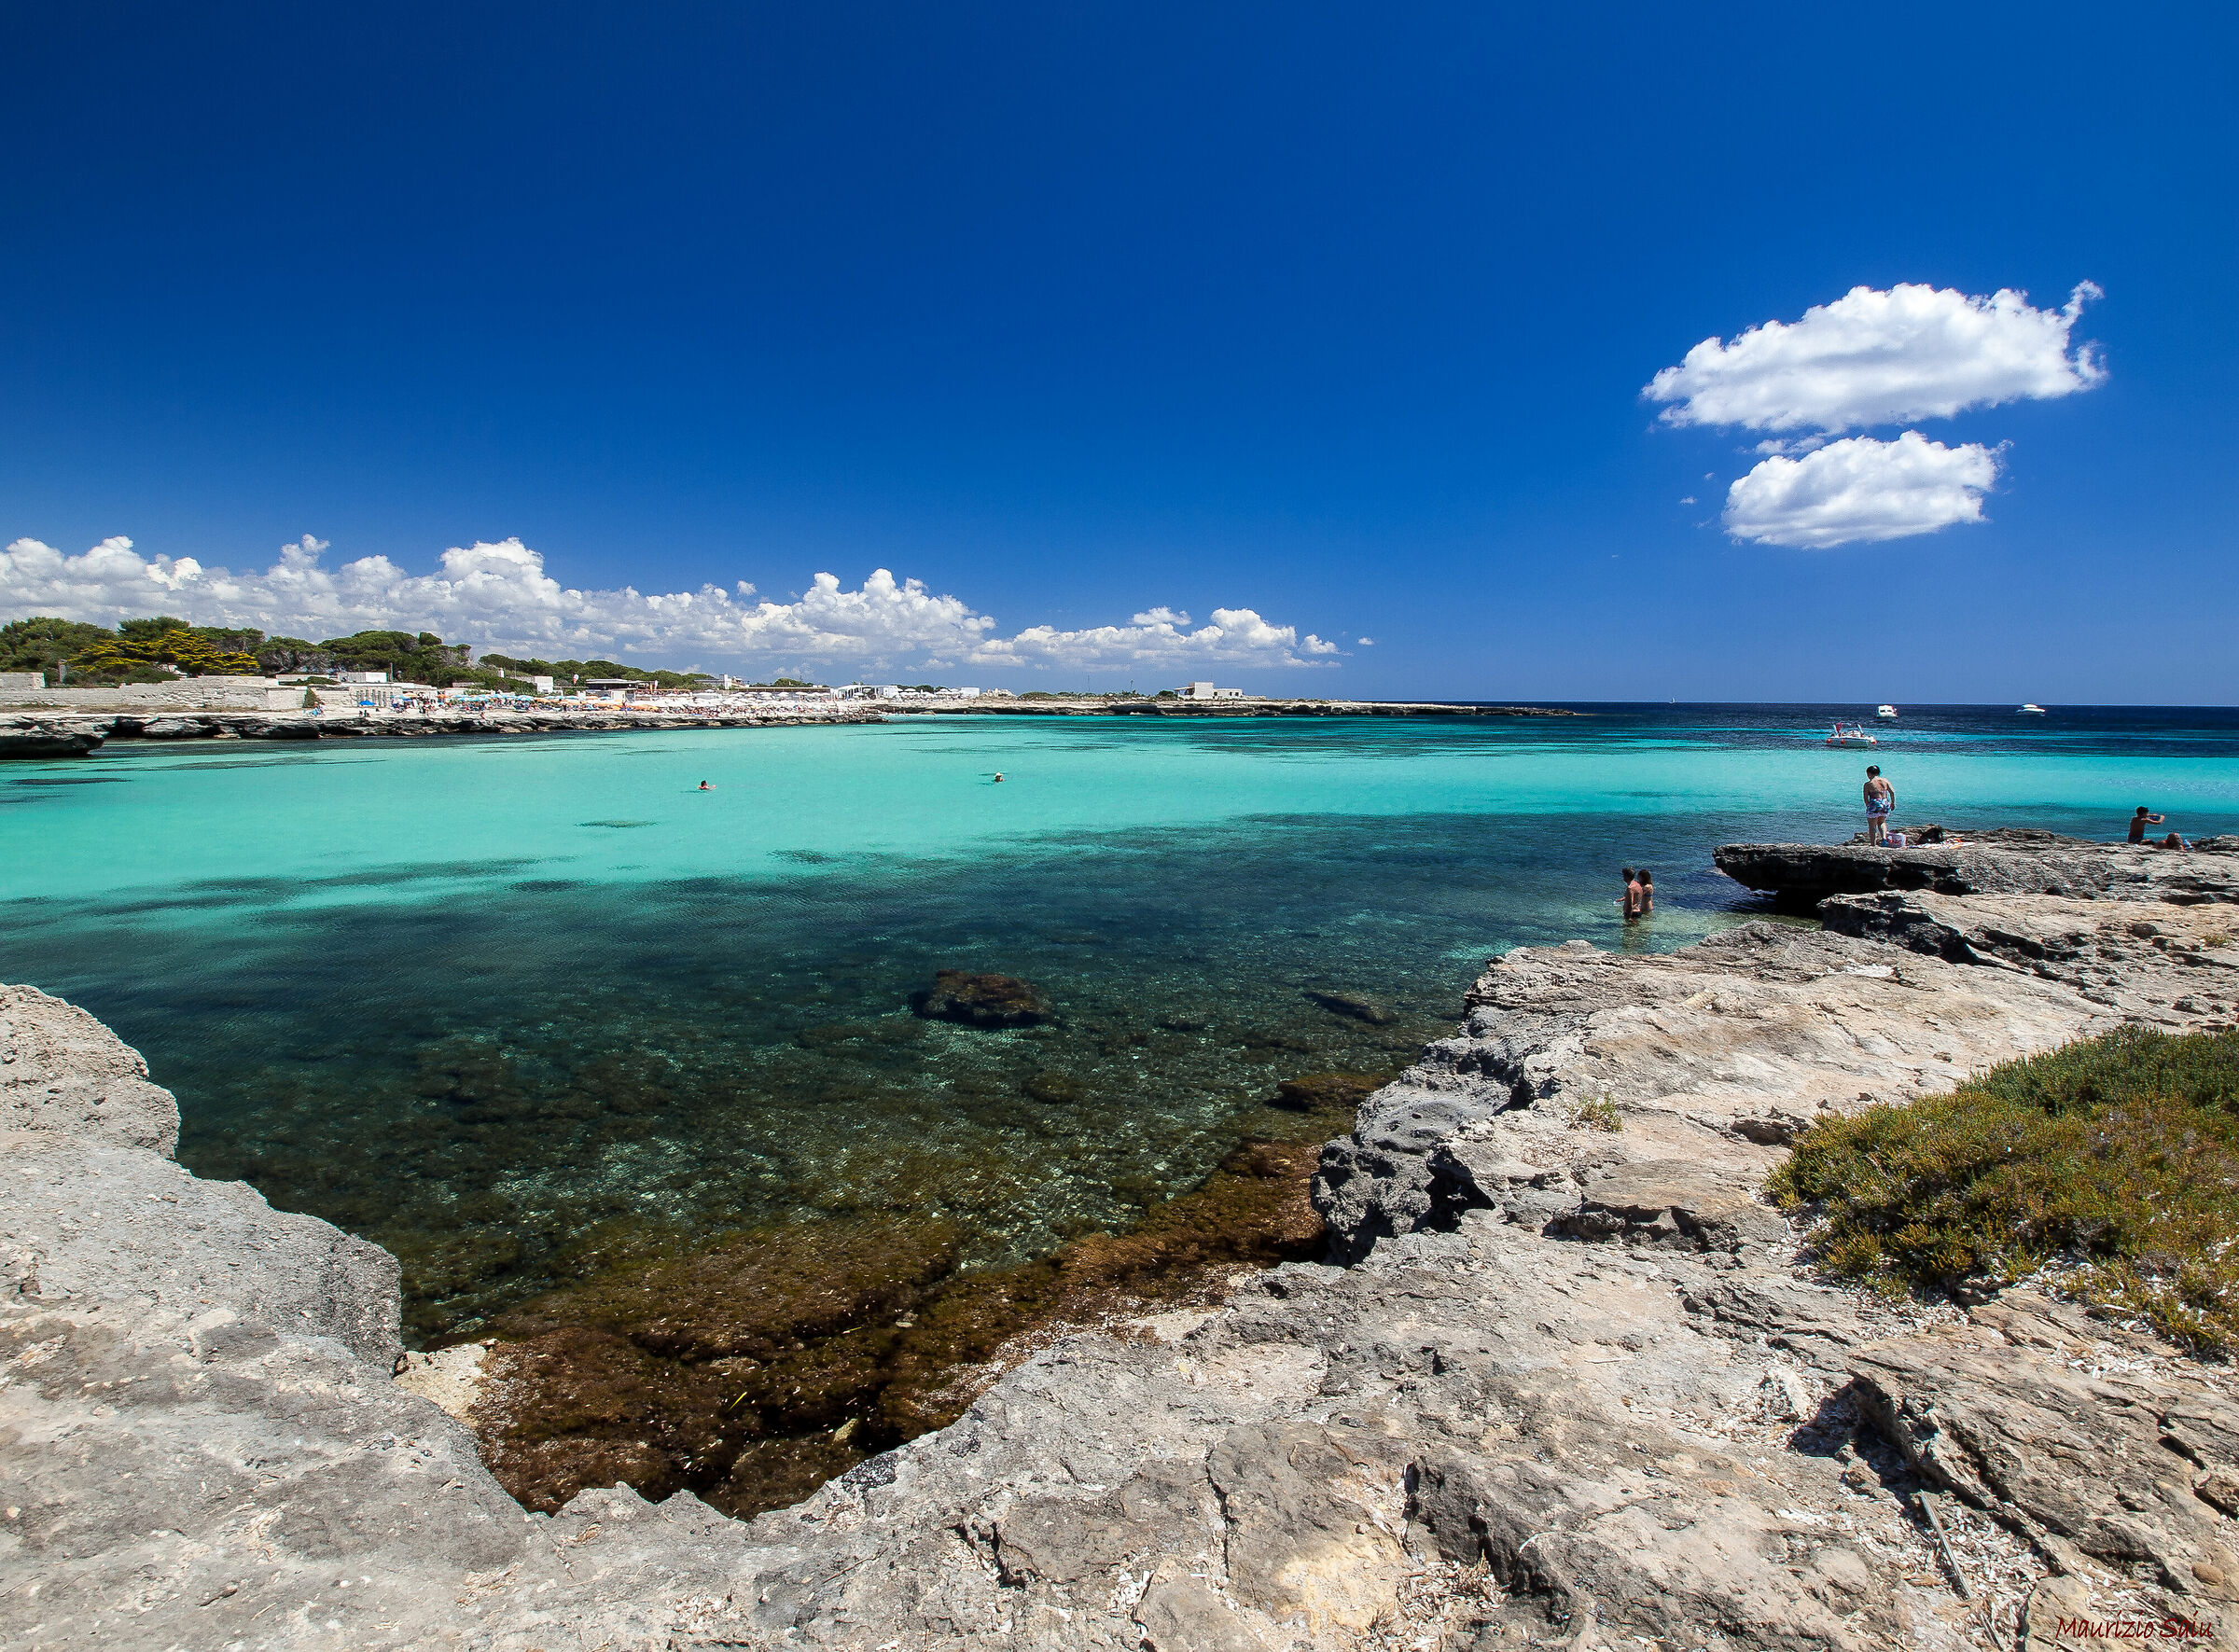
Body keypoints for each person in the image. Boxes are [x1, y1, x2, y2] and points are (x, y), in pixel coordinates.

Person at [1863, 765, 1896, 845]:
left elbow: (1865, 797)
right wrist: (1893, 803)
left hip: (1874, 803)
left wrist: (1868, 806)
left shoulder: (1868, 784)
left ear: (1869, 774)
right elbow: (1892, 792)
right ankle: (1884, 839)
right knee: (1881, 822)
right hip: (1885, 802)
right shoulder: (1885, 781)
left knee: (1872, 826)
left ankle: (1873, 844)